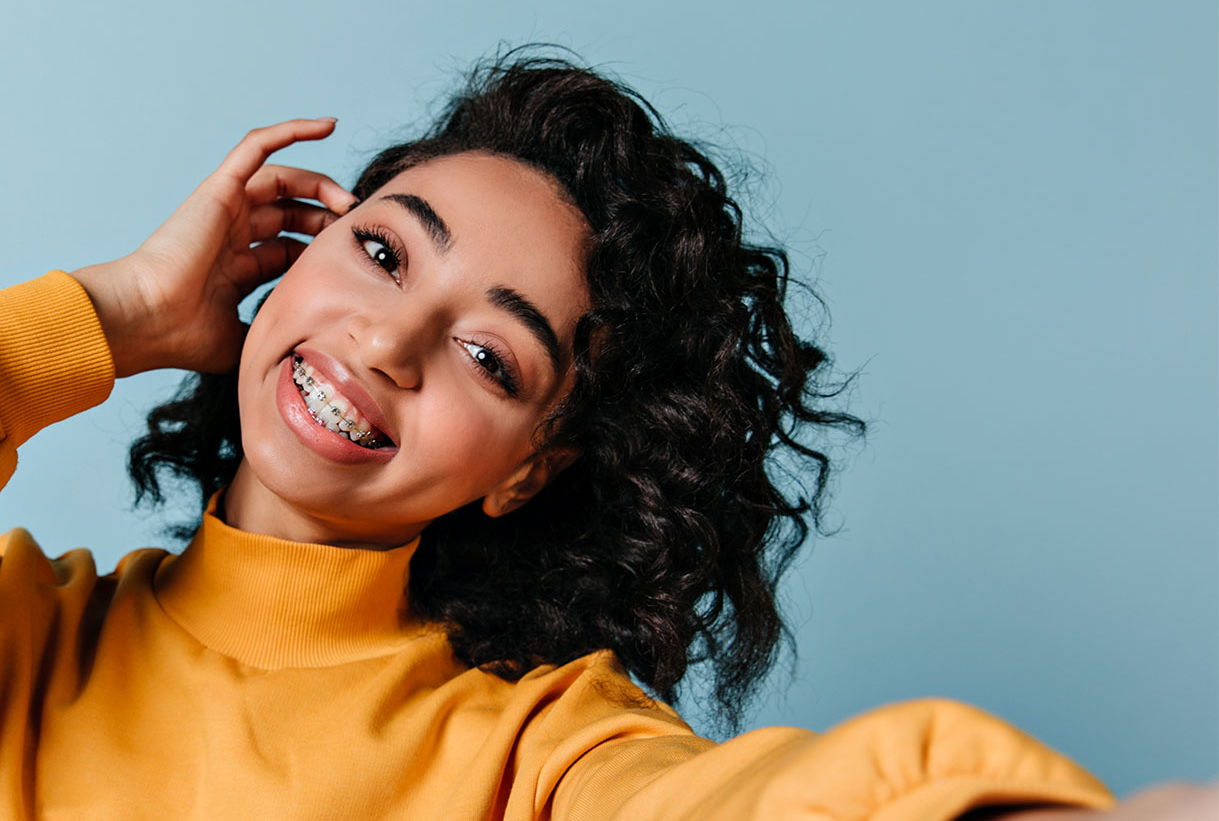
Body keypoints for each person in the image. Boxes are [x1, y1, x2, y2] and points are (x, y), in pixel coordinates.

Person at [0, 51, 1210, 819]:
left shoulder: (540, 750)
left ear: (530, 467)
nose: (387, 345)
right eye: (381, 251)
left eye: (491, 356)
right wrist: (120, 313)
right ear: (290, 249)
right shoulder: (29, 634)